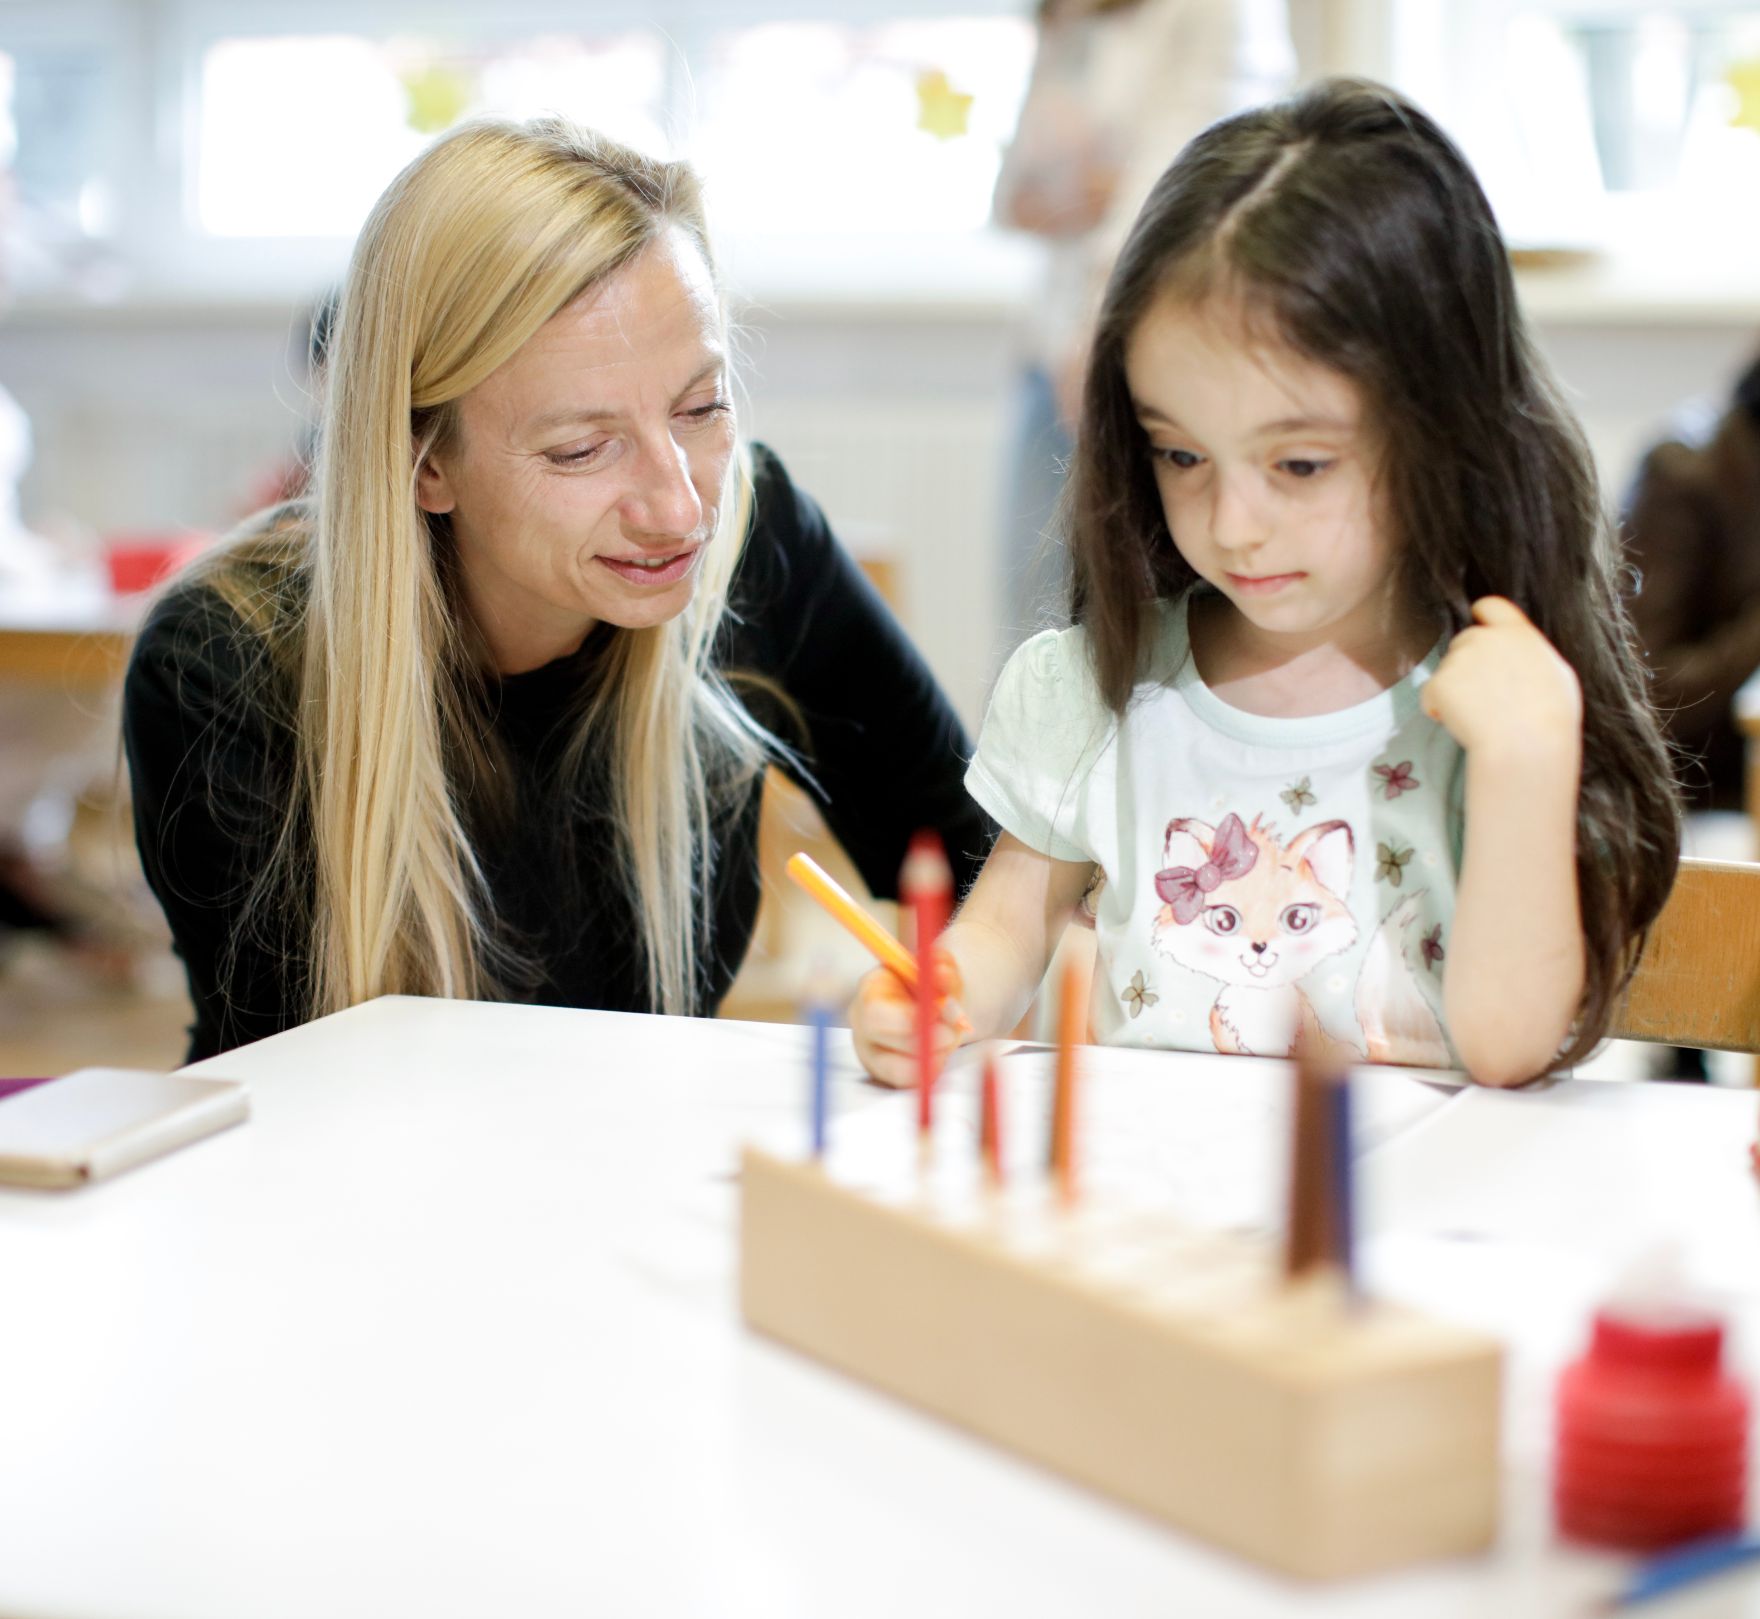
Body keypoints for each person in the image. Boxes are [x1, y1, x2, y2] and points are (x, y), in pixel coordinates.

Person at [852, 78, 1680, 1089]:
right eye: (1180, 454)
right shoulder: (1092, 687)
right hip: (1152, 1217)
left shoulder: (1495, 707)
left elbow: (1507, 1044)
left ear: (1443, 428)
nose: (1230, 524)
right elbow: (1004, 933)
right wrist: (932, 992)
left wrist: (1529, 759)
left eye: (1297, 464)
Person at [123, 118, 991, 1062]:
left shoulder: (751, 533)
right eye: (581, 448)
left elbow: (977, 870)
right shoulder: (229, 656)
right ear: (423, 465)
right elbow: (312, 1106)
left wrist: (980, 975)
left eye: (702, 408)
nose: (678, 506)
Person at [991, 0, 1294, 649]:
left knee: (1140, 616)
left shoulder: (1217, 14)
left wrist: (1101, 314)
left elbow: (1178, 191)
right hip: (1048, 352)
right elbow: (1014, 199)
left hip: (1140, 349)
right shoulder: (1073, 18)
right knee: (1032, 619)